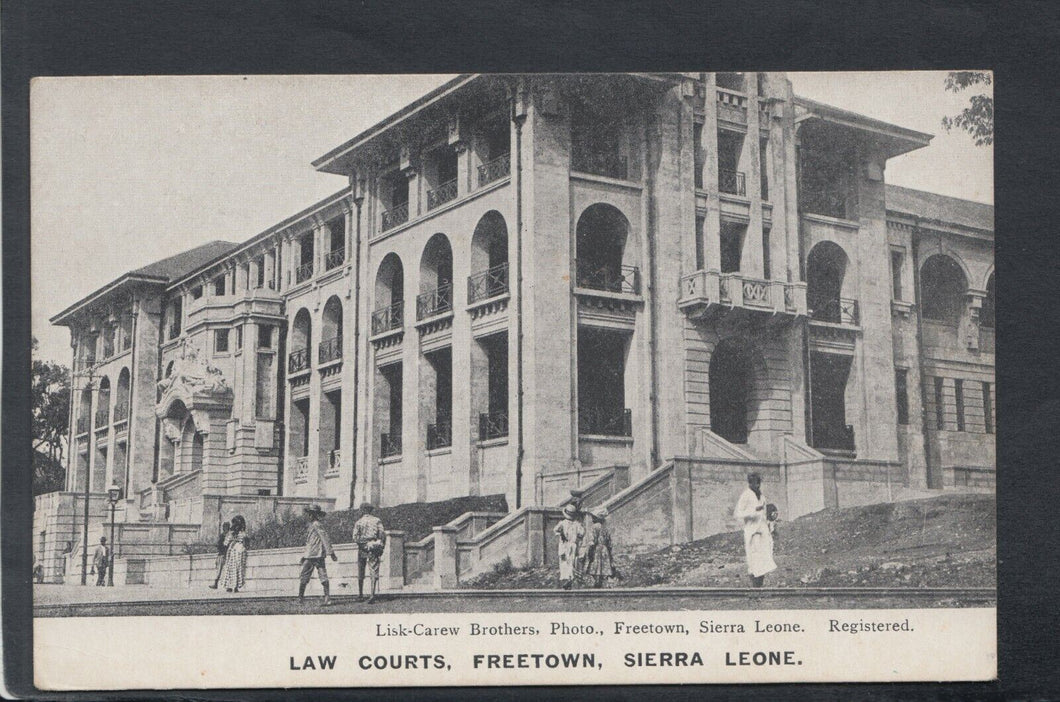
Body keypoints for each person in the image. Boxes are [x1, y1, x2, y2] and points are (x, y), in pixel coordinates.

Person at [733, 473, 777, 588]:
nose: (756, 485)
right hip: (752, 533)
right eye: (754, 483)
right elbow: (738, 513)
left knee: (764, 559)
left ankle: (759, 587)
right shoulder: (746, 495)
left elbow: (764, 514)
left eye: (758, 483)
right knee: (754, 560)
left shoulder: (762, 496)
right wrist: (753, 512)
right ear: (749, 483)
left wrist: (770, 525)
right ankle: (755, 588)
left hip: (763, 532)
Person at [298, 504, 337, 606]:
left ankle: (326, 598)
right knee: (308, 577)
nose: (309, 516)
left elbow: (325, 538)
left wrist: (331, 552)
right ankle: (301, 598)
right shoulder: (312, 525)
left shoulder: (316, 524)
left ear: (315, 515)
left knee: (315, 576)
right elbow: (309, 543)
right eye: (309, 514)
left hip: (315, 555)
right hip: (312, 555)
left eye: (311, 514)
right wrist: (304, 555)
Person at [351, 503, 385, 603]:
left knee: (361, 570)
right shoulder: (377, 520)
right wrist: (380, 545)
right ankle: (372, 594)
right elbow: (382, 534)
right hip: (374, 546)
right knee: (373, 570)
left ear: (362, 510)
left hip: (362, 547)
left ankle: (360, 594)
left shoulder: (359, 522)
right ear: (370, 510)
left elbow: (355, 537)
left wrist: (362, 543)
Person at [585, 508, 619, 589]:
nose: (592, 518)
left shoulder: (594, 527)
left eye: (593, 517)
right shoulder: (605, 528)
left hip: (597, 548)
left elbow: (592, 540)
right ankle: (604, 582)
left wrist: (590, 550)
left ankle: (597, 581)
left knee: (596, 565)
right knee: (603, 565)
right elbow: (609, 541)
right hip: (604, 548)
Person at [553, 503, 584, 590]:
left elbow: (555, 530)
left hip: (564, 545)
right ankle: (570, 579)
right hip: (572, 545)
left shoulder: (562, 523)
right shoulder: (577, 524)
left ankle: (567, 580)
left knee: (564, 563)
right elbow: (582, 533)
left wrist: (560, 534)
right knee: (571, 562)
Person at [219, 515, 248, 593]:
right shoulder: (243, 533)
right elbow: (246, 543)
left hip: (233, 550)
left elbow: (225, 543)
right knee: (238, 568)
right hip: (241, 550)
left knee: (231, 568)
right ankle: (235, 586)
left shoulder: (231, 533)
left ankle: (230, 586)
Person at [208, 521, 231, 589]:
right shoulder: (226, 535)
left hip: (223, 554)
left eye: (225, 527)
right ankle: (222, 585)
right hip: (223, 554)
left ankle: (218, 584)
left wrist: (218, 547)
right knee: (223, 570)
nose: (224, 528)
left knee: (222, 570)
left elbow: (220, 545)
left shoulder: (224, 535)